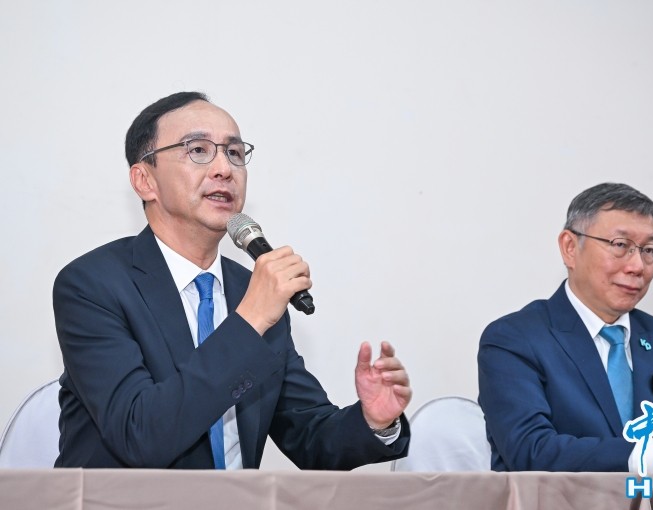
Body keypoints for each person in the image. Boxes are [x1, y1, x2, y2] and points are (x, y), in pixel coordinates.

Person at [53, 91, 411, 469]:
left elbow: (308, 433)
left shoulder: (251, 291)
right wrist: (250, 319)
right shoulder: (92, 285)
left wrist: (375, 420)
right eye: (198, 150)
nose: (224, 168)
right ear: (145, 180)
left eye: (235, 153)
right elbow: (139, 435)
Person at [478, 182, 653, 475]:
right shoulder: (514, 339)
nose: (637, 266)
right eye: (620, 245)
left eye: (648, 249)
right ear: (570, 248)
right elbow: (531, 452)